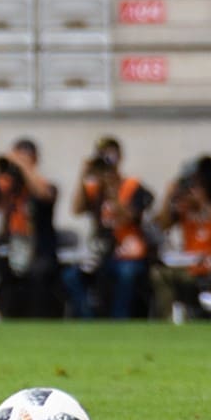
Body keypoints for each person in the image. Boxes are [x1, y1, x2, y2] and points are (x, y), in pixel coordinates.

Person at [149, 161, 211, 320]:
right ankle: (167, 320)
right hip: (191, 262)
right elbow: (161, 224)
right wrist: (168, 197)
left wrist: (203, 204)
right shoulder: (185, 205)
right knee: (160, 273)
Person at [0, 138, 63, 319]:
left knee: (39, 274)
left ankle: (37, 320)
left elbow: (43, 194)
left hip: (39, 251)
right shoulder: (8, 188)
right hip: (11, 249)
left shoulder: (45, 185)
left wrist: (24, 166)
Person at [70, 137, 151, 319]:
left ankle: (119, 319)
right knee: (72, 276)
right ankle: (87, 318)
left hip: (128, 252)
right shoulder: (93, 187)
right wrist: (83, 175)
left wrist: (111, 188)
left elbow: (128, 216)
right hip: (101, 251)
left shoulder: (132, 185)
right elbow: (76, 209)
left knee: (126, 274)